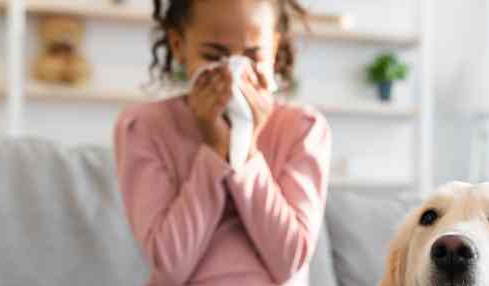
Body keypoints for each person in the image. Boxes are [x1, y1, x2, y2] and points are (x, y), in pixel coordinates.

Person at [113, 0, 331, 285]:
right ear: (179, 45)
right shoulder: (143, 128)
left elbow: (290, 260)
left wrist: (245, 146)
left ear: (274, 49)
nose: (233, 74)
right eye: (214, 55)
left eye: (253, 56)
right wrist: (214, 151)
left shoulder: (304, 130)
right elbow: (169, 265)